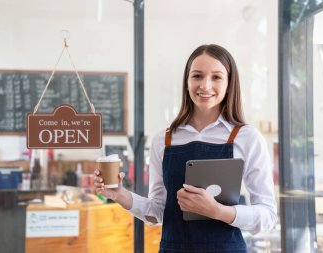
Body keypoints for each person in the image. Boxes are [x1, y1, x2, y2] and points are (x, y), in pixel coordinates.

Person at [94, 44, 278, 253]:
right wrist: (119, 194)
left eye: (216, 77)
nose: (205, 86)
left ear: (229, 84)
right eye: (197, 76)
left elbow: (268, 216)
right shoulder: (163, 140)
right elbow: (158, 212)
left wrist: (217, 211)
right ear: (187, 82)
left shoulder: (247, 137)